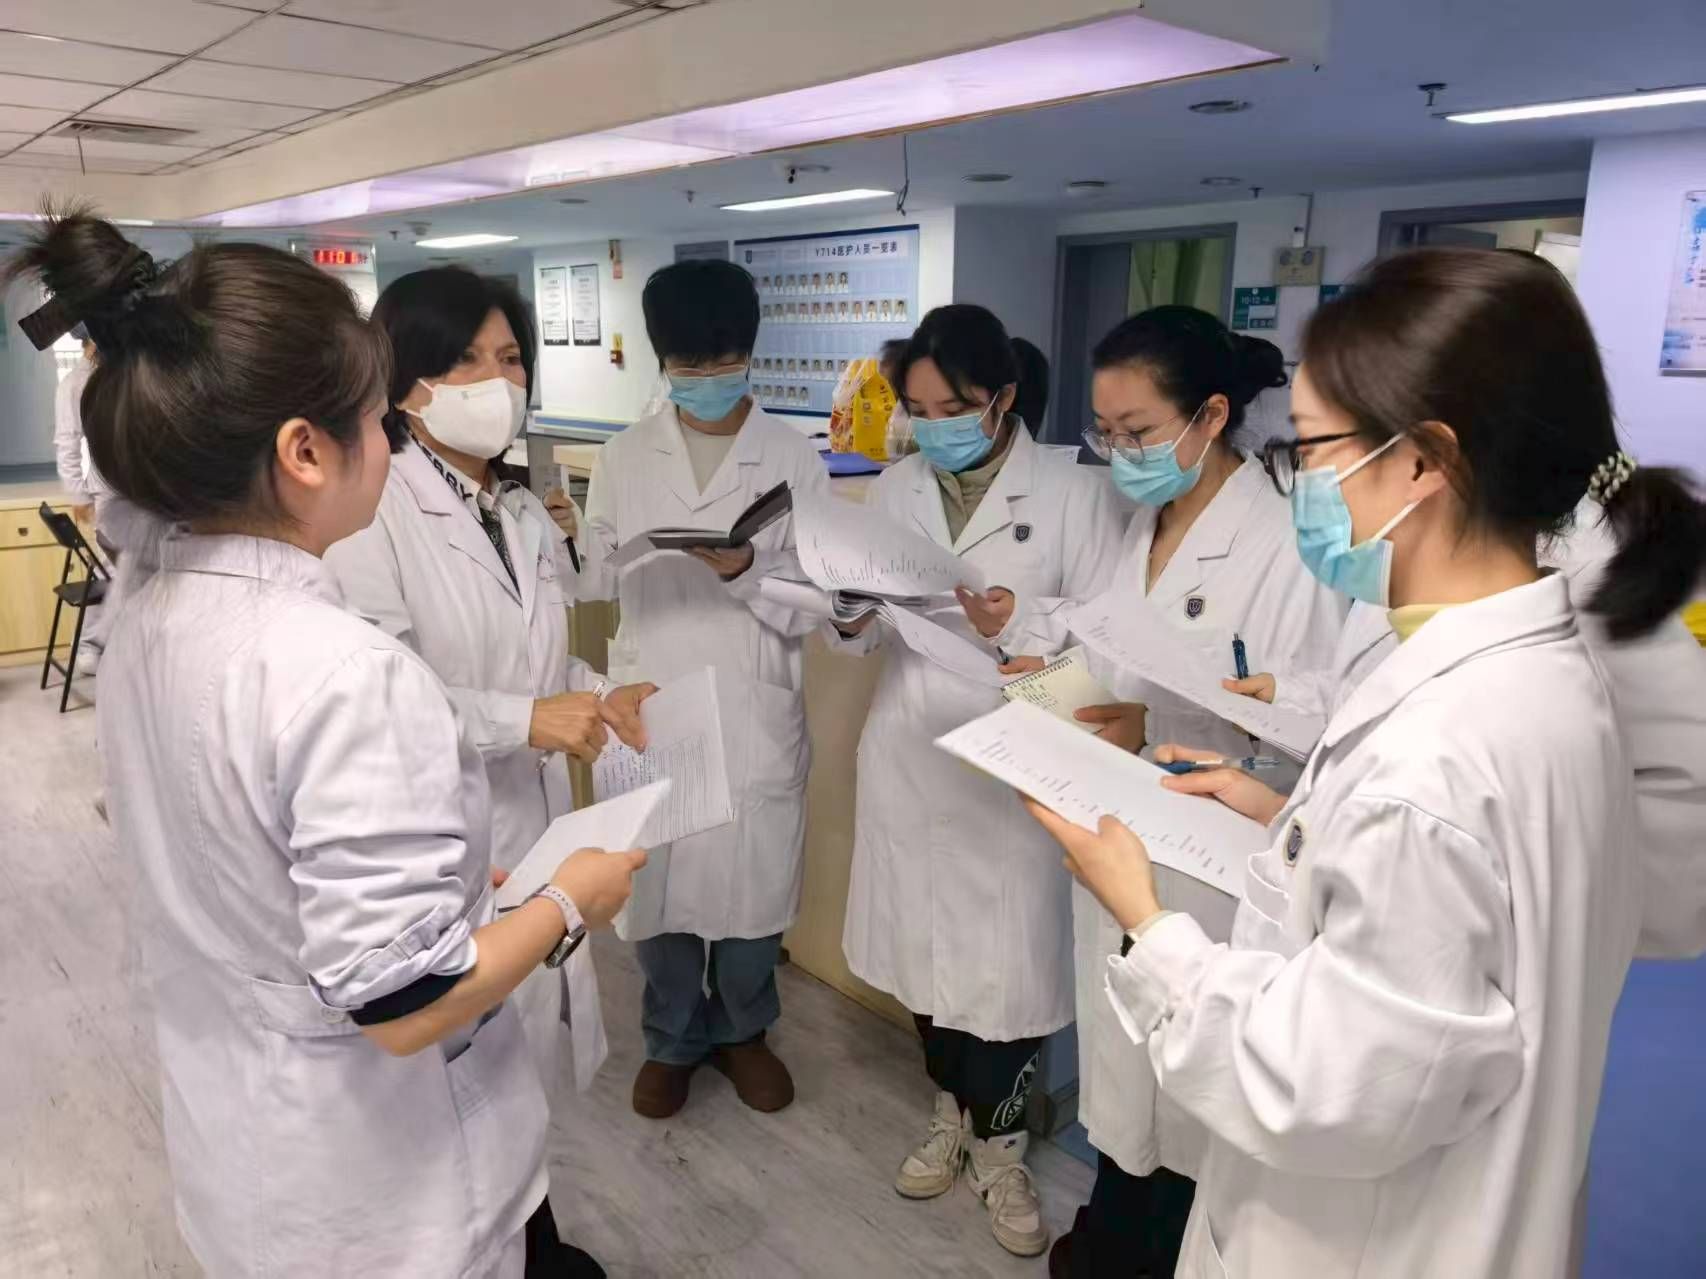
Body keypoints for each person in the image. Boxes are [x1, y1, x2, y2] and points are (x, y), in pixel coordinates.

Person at [1034, 247, 1706, 1278]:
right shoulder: (1537, 675)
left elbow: (1315, 1089)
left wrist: (1147, 920)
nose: (1297, 479)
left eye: (1309, 447)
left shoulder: (1438, 758)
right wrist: (1291, 822)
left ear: (1424, 461)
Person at [7, 210, 646, 1277]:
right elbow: (403, 1001)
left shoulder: (154, 609)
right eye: (376, 418)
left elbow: (246, 846)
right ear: (305, 451)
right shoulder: (343, 669)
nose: (391, 442)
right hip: (380, 1179)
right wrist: (569, 898)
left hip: (248, 1125)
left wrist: (445, 888)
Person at [968, 307, 1346, 1279]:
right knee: (1127, 1073)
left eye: (1137, 431)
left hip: (1209, 861)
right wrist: (1055, 674)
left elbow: (1318, 722)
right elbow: (1111, 648)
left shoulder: (1284, 542)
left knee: (1189, 1095)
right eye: (1105, 432)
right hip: (1122, 834)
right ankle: (1115, 1223)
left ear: (1210, 415)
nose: (1119, 453)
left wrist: (1177, 721)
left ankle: (1147, 1245)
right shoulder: (1141, 519)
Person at [323, 268, 655, 1127]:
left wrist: (598, 693)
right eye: (464, 360)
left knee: (525, 1071)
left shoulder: (516, 511)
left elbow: (533, 661)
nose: (496, 382)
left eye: (510, 359)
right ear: (406, 381)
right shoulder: (374, 513)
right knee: (463, 1086)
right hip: (439, 839)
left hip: (533, 823)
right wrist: (528, 720)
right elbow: (385, 695)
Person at [833, 304, 1127, 1258]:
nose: (933, 427)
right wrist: (846, 610)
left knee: (1006, 971)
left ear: (1001, 398)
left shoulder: (1078, 495)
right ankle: (950, 1112)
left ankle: (1001, 1149)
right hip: (913, 748)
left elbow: (1111, 647)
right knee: (924, 956)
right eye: (918, 410)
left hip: (1017, 765)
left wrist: (1017, 624)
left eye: (953, 408)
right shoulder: (894, 487)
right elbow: (866, 632)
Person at [578, 259, 827, 1120]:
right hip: (654, 695)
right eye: (689, 363)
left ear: (749, 351)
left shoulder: (793, 456)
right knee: (659, 885)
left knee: (754, 889)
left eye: (724, 360)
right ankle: (673, 1037)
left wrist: (747, 567)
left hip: (754, 695)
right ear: (664, 361)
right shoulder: (622, 456)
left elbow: (818, 596)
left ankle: (744, 1029)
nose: (709, 377)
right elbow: (594, 575)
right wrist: (574, 545)